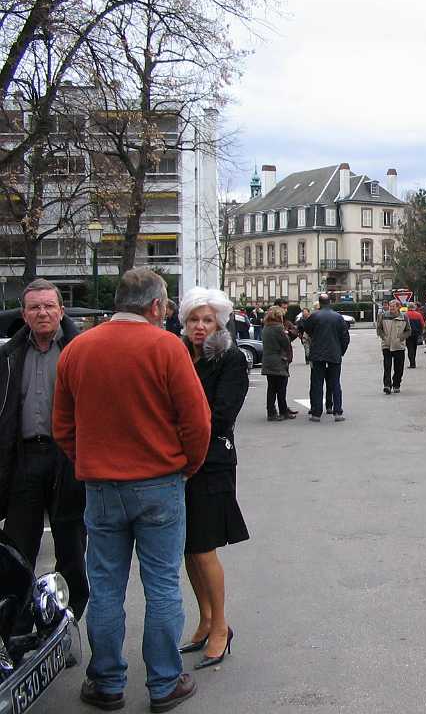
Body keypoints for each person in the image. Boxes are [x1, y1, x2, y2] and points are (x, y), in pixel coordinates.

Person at [53, 267, 211, 712]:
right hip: (160, 482)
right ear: (156, 306)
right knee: (161, 584)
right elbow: (196, 421)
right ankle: (163, 682)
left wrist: (87, 460)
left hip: (101, 485)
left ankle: (107, 681)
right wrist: (187, 466)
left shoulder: (78, 349)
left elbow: (62, 424)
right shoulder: (166, 348)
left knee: (105, 585)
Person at [0, 279, 89, 622]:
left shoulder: (78, 350)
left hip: (68, 457)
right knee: (18, 545)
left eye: (49, 306)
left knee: (70, 546)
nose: (42, 313)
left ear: (61, 310)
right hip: (24, 458)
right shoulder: (9, 355)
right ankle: (18, 622)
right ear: (24, 314)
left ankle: (67, 623)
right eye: (35, 307)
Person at [177, 287, 249, 672]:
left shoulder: (230, 358)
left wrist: (178, 430)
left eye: (207, 320)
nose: (200, 327)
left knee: (204, 546)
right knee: (189, 547)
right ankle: (204, 618)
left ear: (219, 322)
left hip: (212, 460)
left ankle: (221, 626)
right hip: (179, 461)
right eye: (193, 320)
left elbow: (222, 414)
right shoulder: (178, 354)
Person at [303, 293, 350, 422]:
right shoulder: (338, 317)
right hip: (334, 354)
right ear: (330, 302)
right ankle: (337, 411)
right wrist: (340, 351)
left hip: (317, 354)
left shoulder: (314, 316)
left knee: (317, 383)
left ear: (320, 302)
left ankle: (316, 412)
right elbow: (345, 337)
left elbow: (307, 329)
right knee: (335, 383)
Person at [261, 306, 294, 420]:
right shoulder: (278, 328)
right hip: (278, 360)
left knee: (271, 388)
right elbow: (285, 343)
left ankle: (271, 412)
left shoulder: (266, 327)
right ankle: (283, 411)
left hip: (267, 360)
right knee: (281, 388)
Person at [376, 299, 411, 394]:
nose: (391, 308)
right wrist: (383, 337)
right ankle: (387, 385)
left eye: (393, 307)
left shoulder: (404, 317)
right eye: (390, 306)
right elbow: (379, 328)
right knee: (387, 366)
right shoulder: (383, 316)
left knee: (398, 367)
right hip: (386, 345)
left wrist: (401, 338)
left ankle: (396, 384)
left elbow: (408, 330)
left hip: (399, 346)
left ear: (398, 307)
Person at [405, 302, 424, 369]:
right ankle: (413, 361)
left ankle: (412, 362)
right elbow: (422, 324)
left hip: (408, 334)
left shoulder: (405, 314)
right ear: (414, 307)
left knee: (409, 348)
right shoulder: (418, 315)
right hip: (416, 333)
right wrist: (421, 332)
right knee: (414, 347)